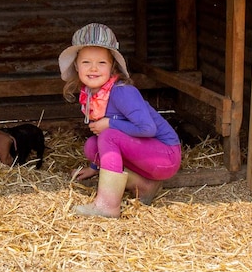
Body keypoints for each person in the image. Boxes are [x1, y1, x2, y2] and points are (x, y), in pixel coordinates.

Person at [59, 23, 182, 217]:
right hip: (146, 158)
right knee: (92, 146)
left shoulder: (122, 91)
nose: (93, 68)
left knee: (107, 136)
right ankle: (145, 186)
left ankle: (107, 206)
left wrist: (110, 124)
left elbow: (147, 129)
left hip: (164, 156)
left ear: (112, 66)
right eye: (86, 62)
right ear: (76, 65)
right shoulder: (94, 94)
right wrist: (94, 167)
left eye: (101, 63)